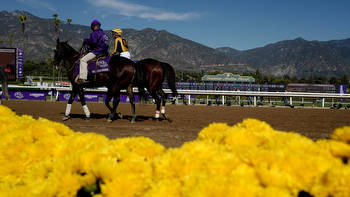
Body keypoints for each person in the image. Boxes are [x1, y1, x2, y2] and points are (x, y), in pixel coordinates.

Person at [76, 20, 109, 84]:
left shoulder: (95, 33)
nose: (91, 27)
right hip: (105, 52)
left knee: (83, 60)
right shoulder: (105, 34)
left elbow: (93, 42)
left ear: (94, 26)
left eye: (92, 26)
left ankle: (83, 78)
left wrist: (86, 40)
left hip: (97, 51)